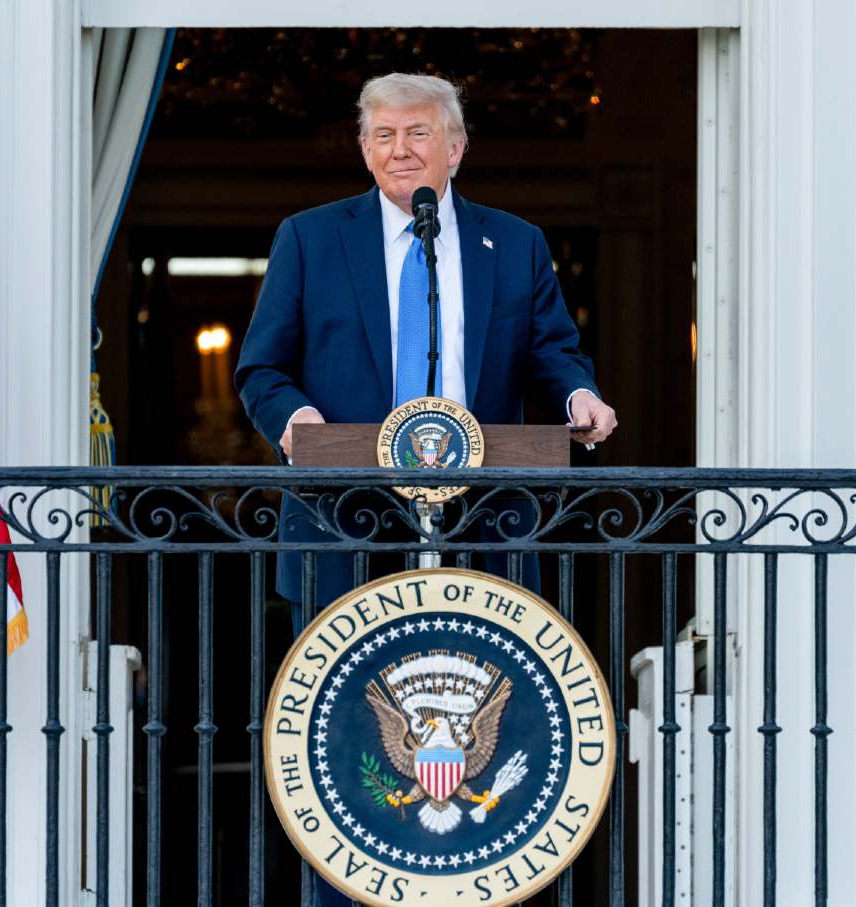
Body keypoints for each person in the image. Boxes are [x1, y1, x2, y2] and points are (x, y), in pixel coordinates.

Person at [234, 73, 618, 905]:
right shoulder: (310, 237)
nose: (399, 150)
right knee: (340, 734)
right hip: (343, 532)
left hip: (484, 530)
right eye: (382, 135)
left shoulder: (512, 244)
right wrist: (296, 418)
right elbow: (262, 366)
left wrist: (577, 397)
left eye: (416, 134)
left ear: (456, 147)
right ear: (363, 148)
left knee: (495, 723)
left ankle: (480, 884)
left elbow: (552, 352)